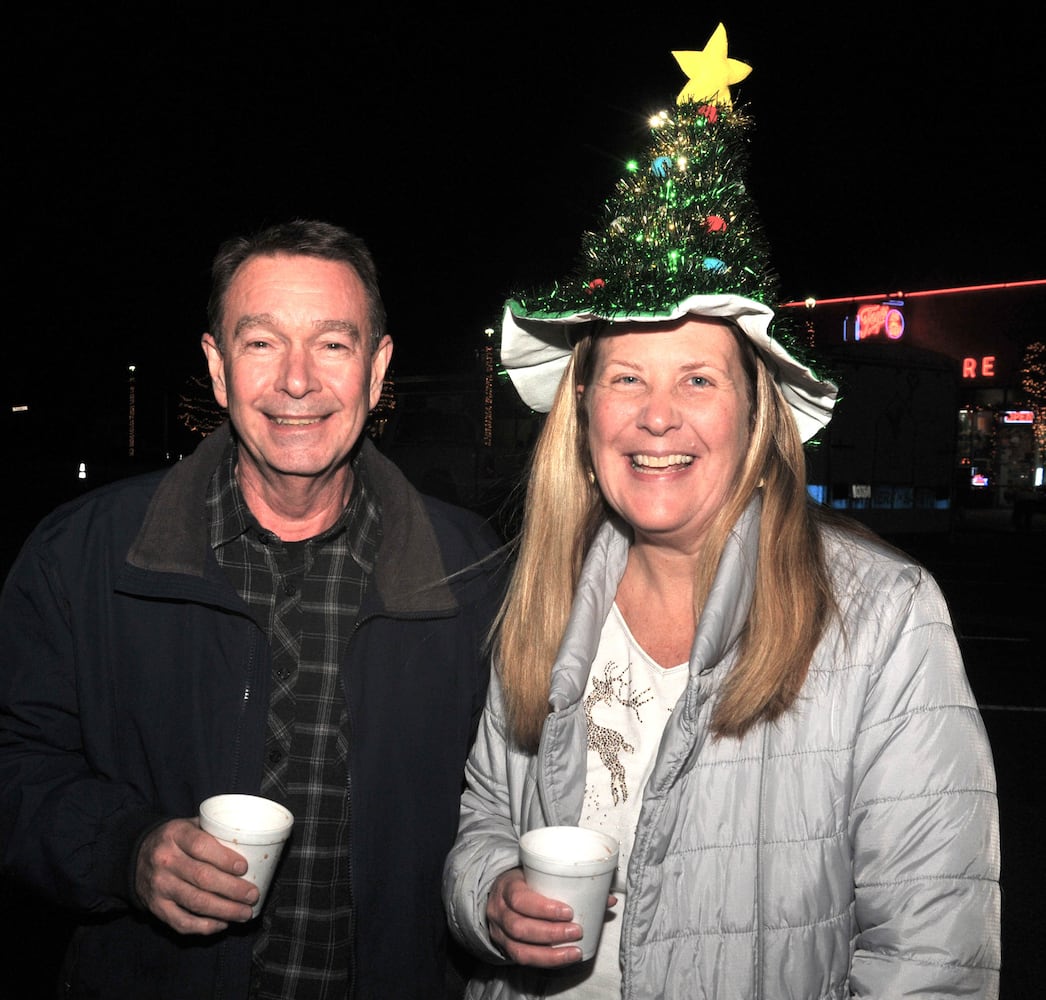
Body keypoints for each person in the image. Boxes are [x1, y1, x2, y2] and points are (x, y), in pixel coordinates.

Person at [442, 33, 1000, 1000]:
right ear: (583, 415)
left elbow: (932, 957)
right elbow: (486, 814)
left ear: (755, 414)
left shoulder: (885, 617)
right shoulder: (541, 593)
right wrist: (488, 896)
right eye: (626, 378)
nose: (658, 417)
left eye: (698, 378)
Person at [0, 219, 502, 999]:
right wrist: (125, 849)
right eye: (262, 342)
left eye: (333, 344)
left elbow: (510, 799)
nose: (296, 381)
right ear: (218, 367)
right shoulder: (85, 556)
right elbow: (16, 762)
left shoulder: (473, 573)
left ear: (377, 370)